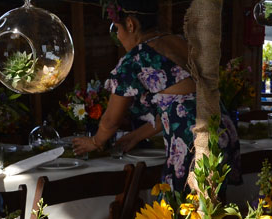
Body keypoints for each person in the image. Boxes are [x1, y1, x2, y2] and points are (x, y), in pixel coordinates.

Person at [72, 0, 240, 192]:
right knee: (211, 209)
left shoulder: (136, 58)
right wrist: (135, 137)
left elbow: (111, 120)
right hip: (220, 129)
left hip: (193, 141)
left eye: (117, 29)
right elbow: (179, 107)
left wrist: (95, 142)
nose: (117, 36)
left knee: (177, 211)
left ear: (130, 25)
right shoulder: (180, 42)